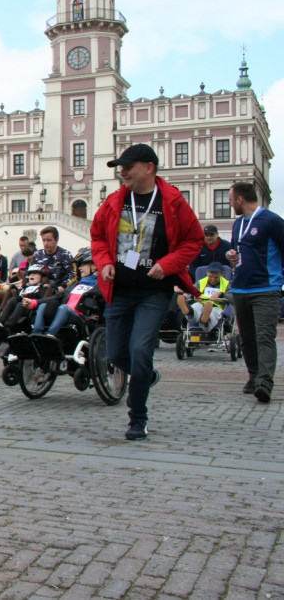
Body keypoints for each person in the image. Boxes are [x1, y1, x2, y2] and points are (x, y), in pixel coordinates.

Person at [91, 143, 203, 441]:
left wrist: (167, 265)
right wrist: (103, 263)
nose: (122, 172)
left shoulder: (174, 202)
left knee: (140, 351)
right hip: (121, 290)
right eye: (120, 168)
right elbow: (99, 236)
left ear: (149, 167)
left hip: (154, 292)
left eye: (128, 167)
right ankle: (146, 376)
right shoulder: (115, 201)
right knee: (116, 354)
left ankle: (137, 418)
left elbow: (194, 241)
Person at [225, 181, 284, 402]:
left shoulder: (272, 221)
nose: (231, 204)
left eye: (231, 200)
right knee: (247, 338)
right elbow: (236, 249)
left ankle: (265, 383)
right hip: (240, 288)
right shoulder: (238, 223)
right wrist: (231, 255)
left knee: (265, 337)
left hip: (266, 289)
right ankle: (253, 377)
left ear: (240, 199)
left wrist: (280, 281)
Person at [33, 251, 101, 336]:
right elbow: (57, 297)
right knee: (43, 306)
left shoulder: (99, 286)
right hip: (64, 313)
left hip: (83, 319)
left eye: (83, 265)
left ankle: (49, 335)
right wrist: (35, 302)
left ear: (94, 266)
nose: (79, 268)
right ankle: (36, 334)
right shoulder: (75, 284)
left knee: (64, 308)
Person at [176, 261, 229, 332]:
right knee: (196, 306)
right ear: (207, 273)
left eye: (216, 277)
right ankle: (188, 311)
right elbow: (191, 293)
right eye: (210, 276)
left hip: (216, 306)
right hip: (201, 303)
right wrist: (193, 297)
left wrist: (221, 294)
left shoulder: (227, 284)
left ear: (221, 274)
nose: (213, 279)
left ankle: (205, 320)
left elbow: (232, 297)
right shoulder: (200, 282)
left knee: (213, 313)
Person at [32, 226, 75, 291]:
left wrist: (63, 286)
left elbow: (72, 275)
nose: (46, 243)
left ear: (56, 240)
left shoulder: (65, 255)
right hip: (39, 290)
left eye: (49, 240)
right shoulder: (37, 255)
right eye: (43, 240)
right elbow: (30, 274)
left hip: (58, 291)